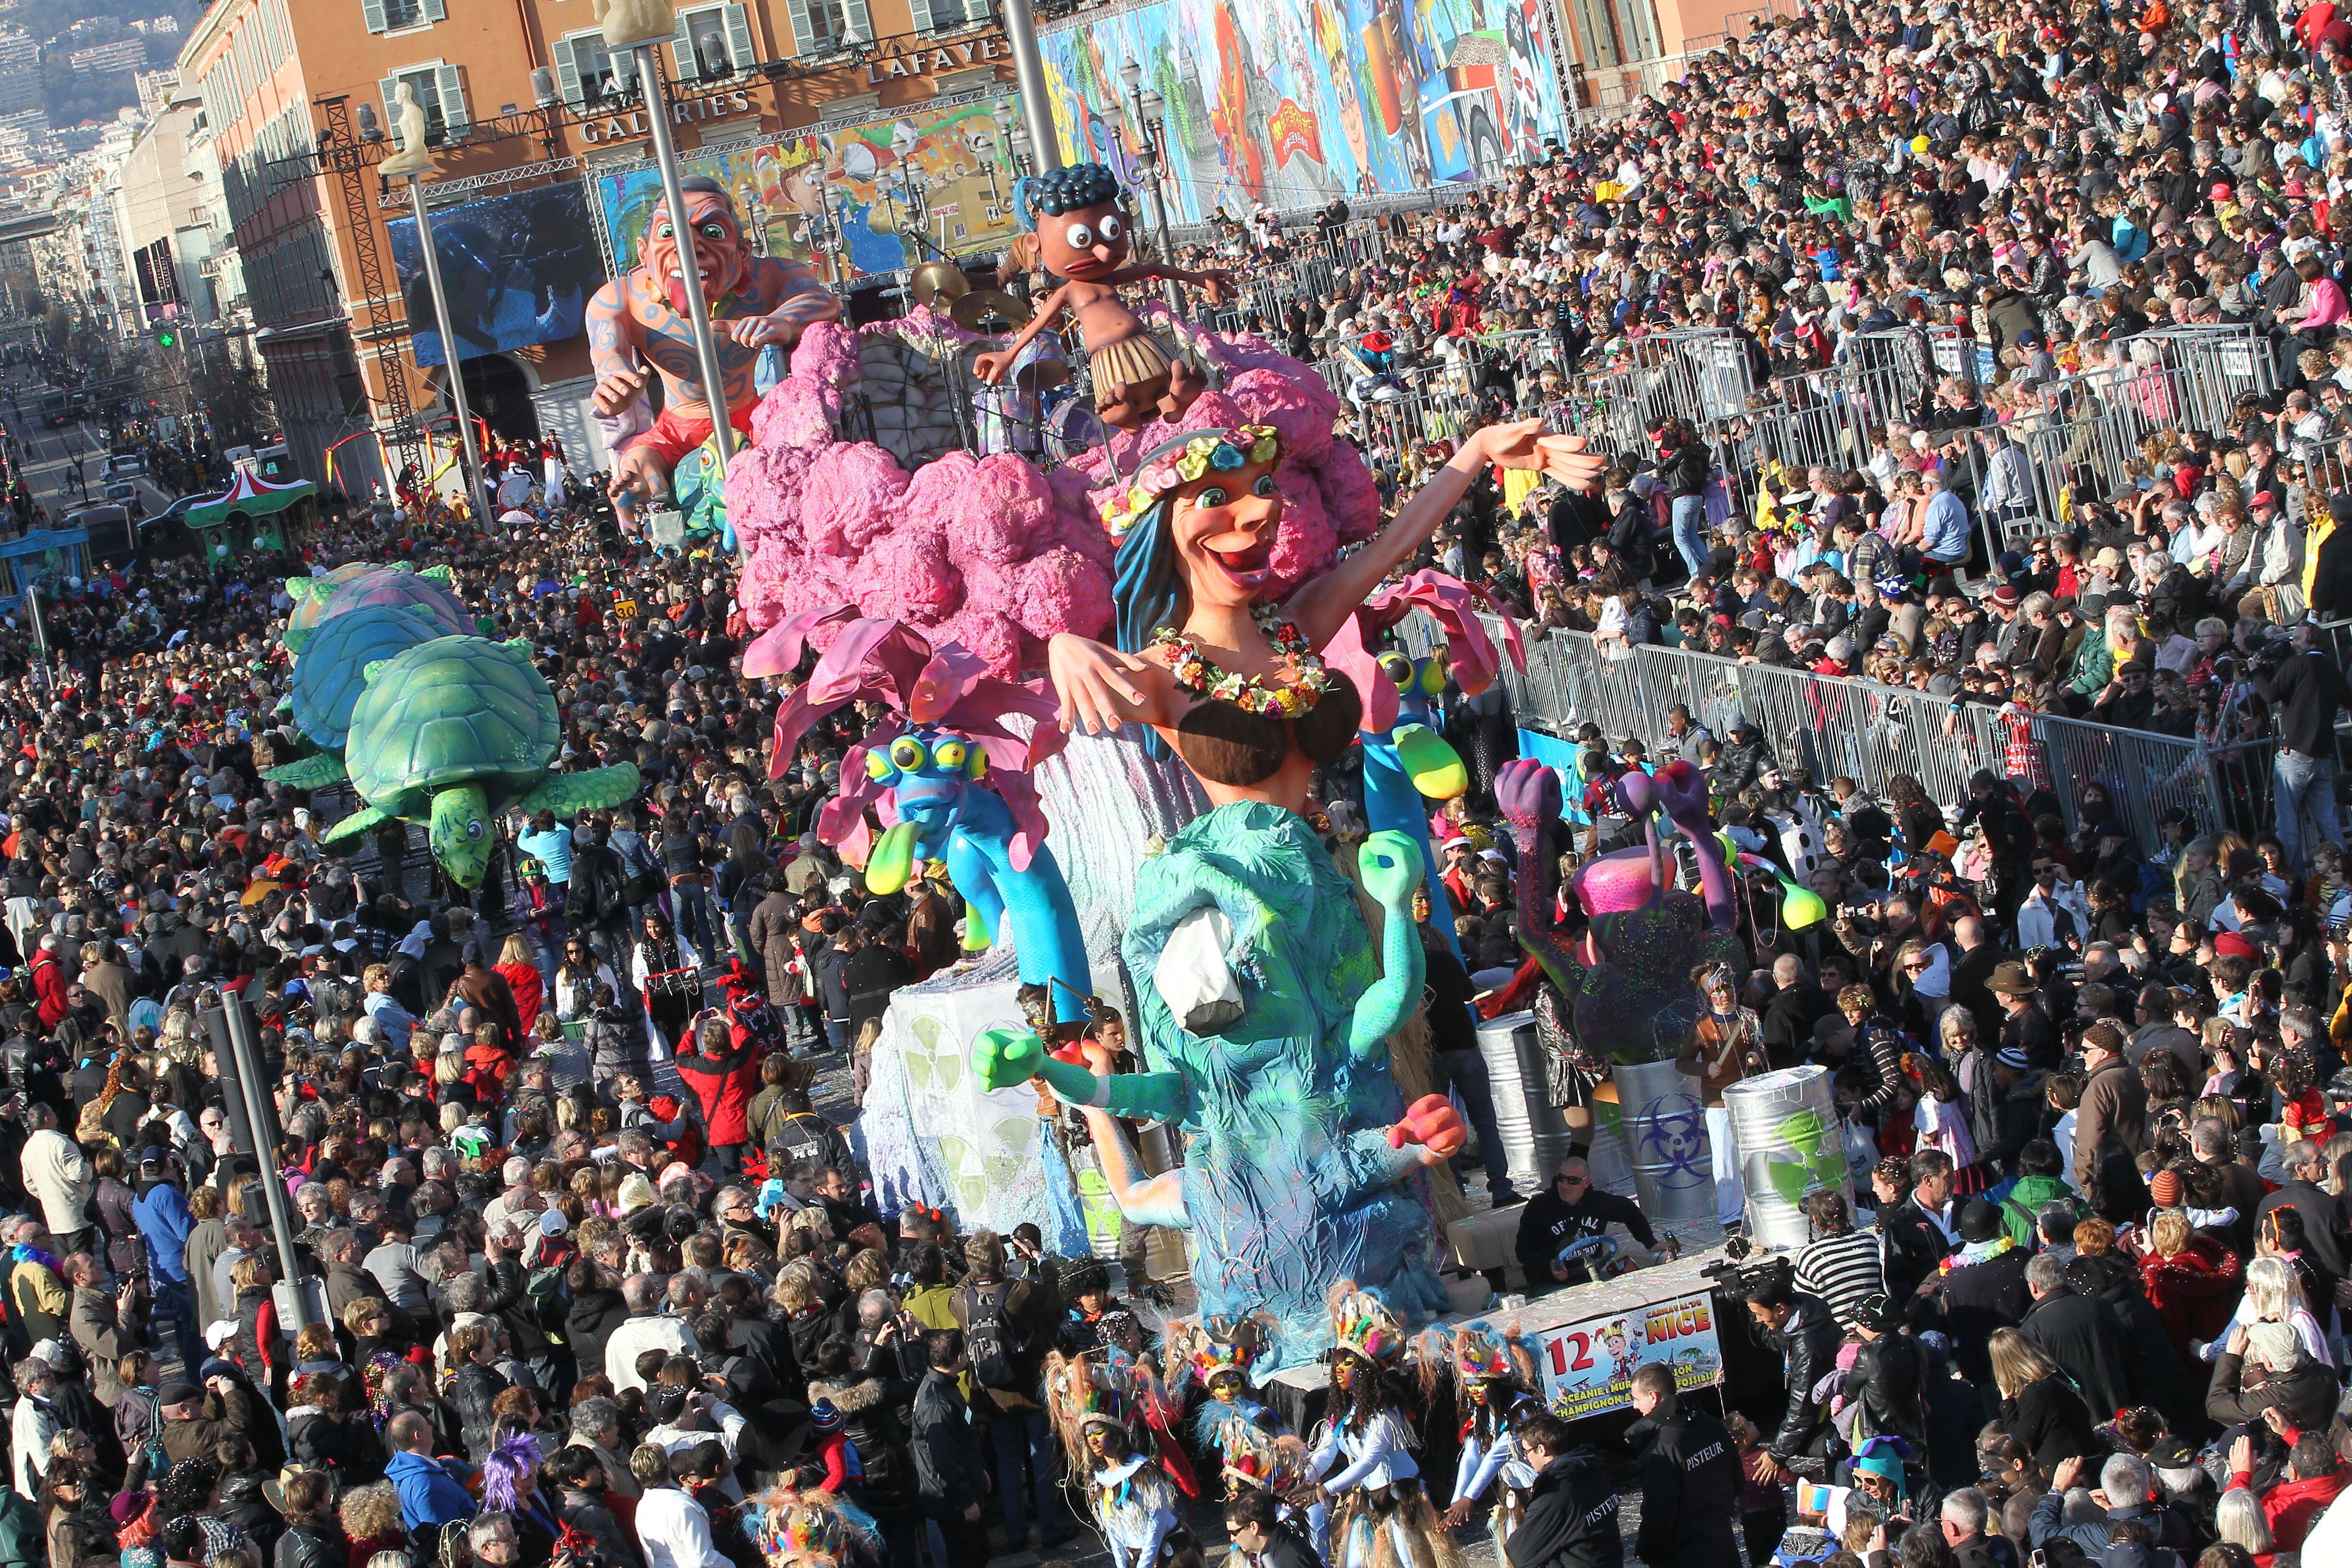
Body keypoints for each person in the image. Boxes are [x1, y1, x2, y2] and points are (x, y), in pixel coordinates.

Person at [1627, 1361, 1741, 1567]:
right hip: (1723, 1544)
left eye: (1636, 1399)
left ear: (1653, 1397)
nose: (1635, 1406)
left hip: (1684, 1554)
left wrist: (1648, 1550)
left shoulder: (1661, 1450)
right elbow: (1737, 1479)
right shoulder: (1713, 1424)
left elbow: (1658, 1513)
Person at [1513, 1155, 1656, 1286]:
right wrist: (1548, 1265)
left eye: (1573, 1180)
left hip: (1591, 1274)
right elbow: (1523, 1251)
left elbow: (1630, 1210)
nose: (1565, 1185)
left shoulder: (1599, 1203)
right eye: (1561, 1178)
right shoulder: (1539, 1207)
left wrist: (1651, 1243)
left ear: (1586, 1183)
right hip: (1550, 1282)